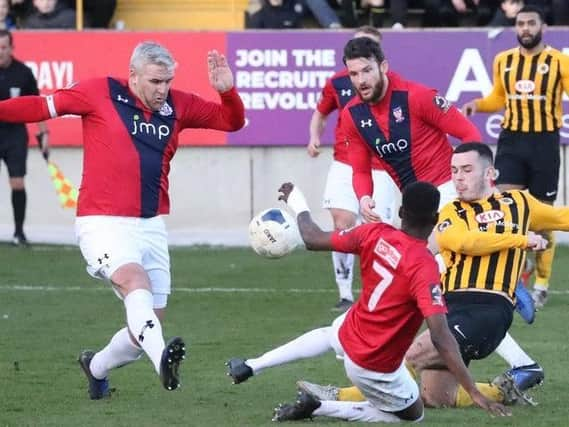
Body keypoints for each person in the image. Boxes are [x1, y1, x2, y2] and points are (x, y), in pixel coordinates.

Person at [0, 41, 245, 398]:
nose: (162, 90)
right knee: (134, 281)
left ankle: (96, 367)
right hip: (101, 222)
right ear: (133, 76)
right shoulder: (99, 92)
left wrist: (227, 91)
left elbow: (232, 121)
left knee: (144, 326)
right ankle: (163, 360)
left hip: (151, 225)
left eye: (167, 81)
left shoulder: (179, 104)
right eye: (155, 81)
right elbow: (40, 106)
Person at [295, 143, 553, 408]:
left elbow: (561, 217)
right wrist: (521, 239)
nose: (458, 178)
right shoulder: (452, 211)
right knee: (438, 397)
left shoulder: (521, 203)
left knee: (406, 357)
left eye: (466, 170)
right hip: (452, 308)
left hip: (487, 311)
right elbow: (464, 241)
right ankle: (504, 392)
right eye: (454, 171)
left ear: (490, 174)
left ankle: (333, 397)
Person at [228, 181, 510, 423]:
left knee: (330, 334)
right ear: (436, 219)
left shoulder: (374, 233)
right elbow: (441, 336)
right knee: (414, 414)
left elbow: (312, 239)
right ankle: (322, 407)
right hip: (374, 362)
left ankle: (252, 365)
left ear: (401, 212)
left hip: (352, 328)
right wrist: (473, 391)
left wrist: (297, 203)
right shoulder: (425, 268)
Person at [461, 5, 569, 309]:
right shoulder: (503, 60)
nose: (525, 29)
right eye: (520, 24)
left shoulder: (559, 62)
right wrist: (478, 105)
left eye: (530, 23)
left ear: (542, 27)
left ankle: (542, 283)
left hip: (545, 143)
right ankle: (511, 278)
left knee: (542, 216)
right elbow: (498, 97)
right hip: (511, 141)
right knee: (507, 209)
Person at [308, 25, 399, 312]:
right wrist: (314, 138)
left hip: (381, 166)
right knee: (341, 223)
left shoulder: (394, 86)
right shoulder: (337, 82)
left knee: (377, 230)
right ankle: (345, 293)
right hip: (344, 163)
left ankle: (379, 291)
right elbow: (321, 113)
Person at [0, 29, 48, 245]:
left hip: (15, 135)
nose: (0, 52)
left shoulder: (23, 72)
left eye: (3, 47)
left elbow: (38, 105)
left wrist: (43, 133)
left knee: (17, 183)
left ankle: (19, 233)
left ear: (11, 48)